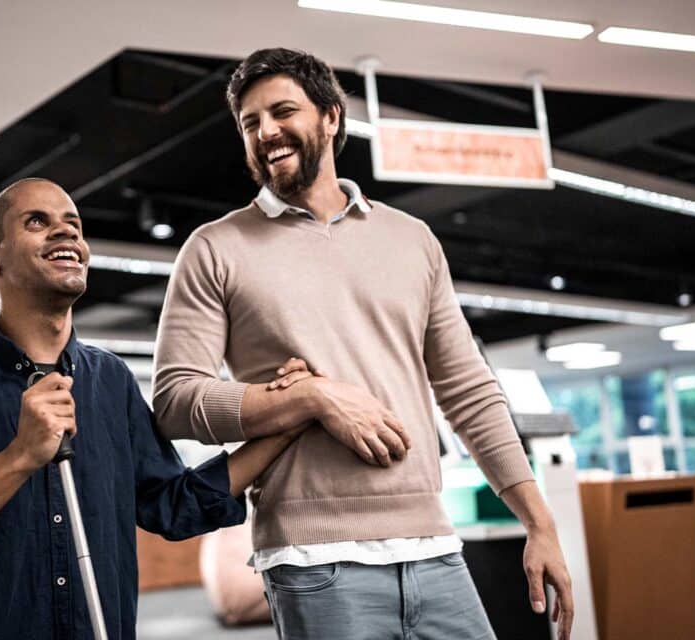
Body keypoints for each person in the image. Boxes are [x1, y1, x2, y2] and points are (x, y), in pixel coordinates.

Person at [152, 48, 574, 640]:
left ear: (330, 117)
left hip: (433, 545)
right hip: (311, 560)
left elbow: (469, 390)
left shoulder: (413, 239)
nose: (266, 131)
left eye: (282, 111)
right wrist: (313, 399)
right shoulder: (214, 248)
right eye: (250, 123)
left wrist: (539, 522)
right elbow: (175, 401)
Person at [0, 177, 302, 640]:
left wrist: (285, 424)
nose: (66, 233)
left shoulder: (109, 381)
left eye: (73, 224)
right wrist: (20, 456)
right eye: (37, 222)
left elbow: (171, 505)